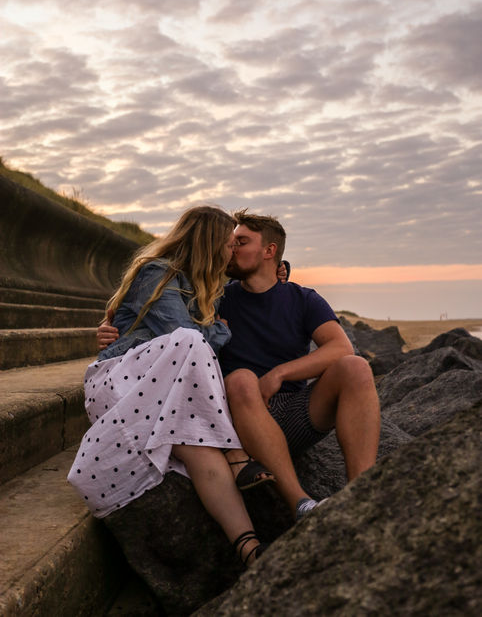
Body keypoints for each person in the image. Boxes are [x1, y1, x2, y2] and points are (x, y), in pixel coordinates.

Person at [97, 210, 381, 521]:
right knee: (242, 379)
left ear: (269, 252)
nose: (231, 249)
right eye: (230, 243)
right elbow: (162, 322)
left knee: (355, 367)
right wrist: (114, 330)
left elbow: (341, 347)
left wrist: (280, 373)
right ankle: (300, 503)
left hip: (292, 412)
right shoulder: (215, 297)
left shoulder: (302, 299)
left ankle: (362, 496)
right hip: (235, 417)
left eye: (241, 242)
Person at [68, 205, 270, 567]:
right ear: (208, 244)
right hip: (120, 382)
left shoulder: (206, 287)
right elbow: (186, 335)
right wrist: (218, 329)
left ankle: (250, 549)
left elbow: (259, 285)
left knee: (199, 447)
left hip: (160, 383)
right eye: (227, 243)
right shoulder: (157, 272)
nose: (231, 251)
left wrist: (282, 273)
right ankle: (237, 454)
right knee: (191, 342)